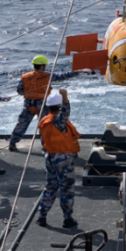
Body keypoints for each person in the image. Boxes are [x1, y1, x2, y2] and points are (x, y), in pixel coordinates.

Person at [8, 55, 83, 151]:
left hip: (28, 105)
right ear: (42, 66)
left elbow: (19, 91)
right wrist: (80, 71)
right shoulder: (47, 76)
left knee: (22, 124)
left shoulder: (25, 77)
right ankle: (46, 147)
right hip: (42, 105)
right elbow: (63, 76)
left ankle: (12, 143)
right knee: (45, 125)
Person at [36, 89, 80, 228]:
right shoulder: (58, 121)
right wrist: (65, 97)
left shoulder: (44, 120)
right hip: (63, 159)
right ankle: (68, 219)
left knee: (51, 186)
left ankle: (42, 216)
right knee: (66, 188)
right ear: (59, 107)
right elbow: (66, 112)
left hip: (50, 157)